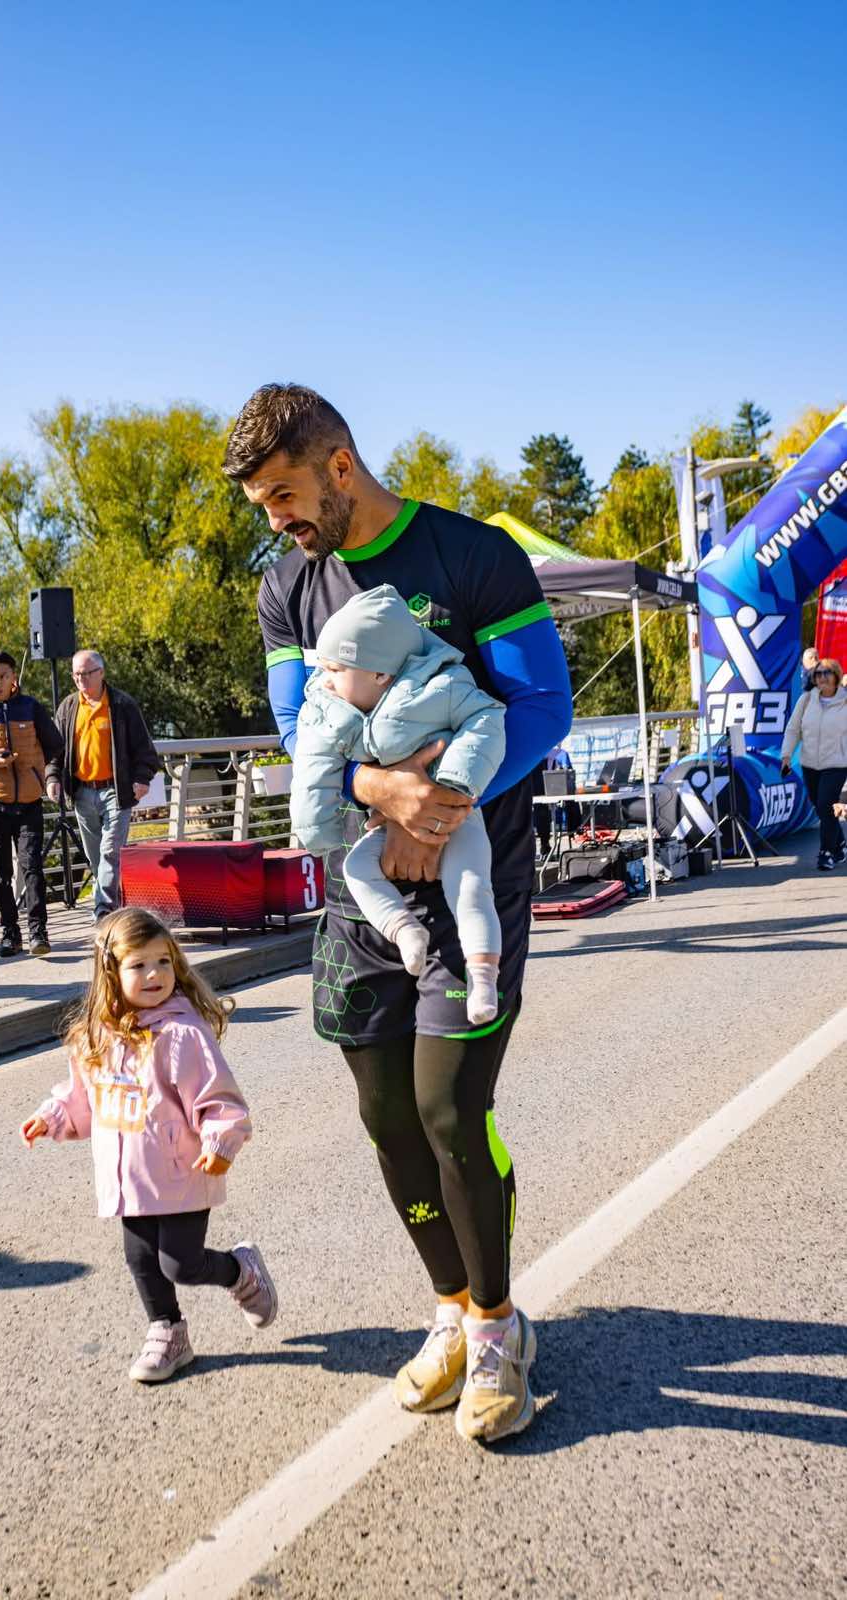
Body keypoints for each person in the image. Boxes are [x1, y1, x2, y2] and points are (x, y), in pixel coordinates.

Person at [225, 383, 572, 1446]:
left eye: (285, 493)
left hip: (473, 879)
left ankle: (502, 1324)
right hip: (365, 884)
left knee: (449, 1111)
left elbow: (545, 705)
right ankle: (452, 1311)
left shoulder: (471, 555)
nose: (277, 520)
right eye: (261, 504)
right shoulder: (288, 585)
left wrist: (446, 804)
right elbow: (299, 727)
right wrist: (386, 798)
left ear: (340, 465)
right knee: (384, 1116)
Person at [20, 907, 278, 1382]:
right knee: (141, 1260)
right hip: (129, 1179)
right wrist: (52, 1116)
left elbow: (219, 1099)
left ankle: (240, 1271)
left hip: (182, 1171)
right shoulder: (96, 1037)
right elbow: (82, 1099)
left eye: (163, 961)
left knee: (180, 1264)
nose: (154, 974)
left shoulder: (182, 1035)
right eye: (138, 965)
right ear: (110, 972)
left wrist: (220, 1141)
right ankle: (168, 1333)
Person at [291, 584, 505, 1025]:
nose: (325, 678)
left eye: (336, 668)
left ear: (379, 676)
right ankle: (404, 930)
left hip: (456, 816)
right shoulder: (330, 706)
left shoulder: (440, 686)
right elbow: (312, 767)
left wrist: (451, 788)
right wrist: (318, 829)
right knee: (355, 868)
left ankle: (483, 976)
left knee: (469, 887)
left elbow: (488, 718)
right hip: (387, 825)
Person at [0, 650, 63, 958]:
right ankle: (10, 933)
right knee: (0, 873)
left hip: (30, 802)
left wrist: (40, 772)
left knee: (32, 868)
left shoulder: (30, 707)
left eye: (3, 676)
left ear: (13, 677)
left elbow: (55, 744)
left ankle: (38, 933)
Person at [47, 650, 160, 922]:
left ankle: (103, 911)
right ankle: (116, 904)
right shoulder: (68, 707)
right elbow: (55, 749)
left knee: (110, 851)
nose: (80, 679)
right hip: (82, 791)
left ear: (101, 672)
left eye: (86, 673)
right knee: (95, 855)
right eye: (75, 674)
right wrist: (52, 778)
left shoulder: (122, 704)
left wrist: (142, 778)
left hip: (116, 791)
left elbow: (144, 750)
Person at [781, 657, 847, 870]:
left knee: (826, 804)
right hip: (809, 764)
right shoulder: (807, 700)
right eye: (818, 674)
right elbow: (793, 729)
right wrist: (786, 756)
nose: (821, 678)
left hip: (837, 763)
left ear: (836, 676)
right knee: (820, 807)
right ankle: (840, 844)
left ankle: (826, 853)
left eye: (826, 673)